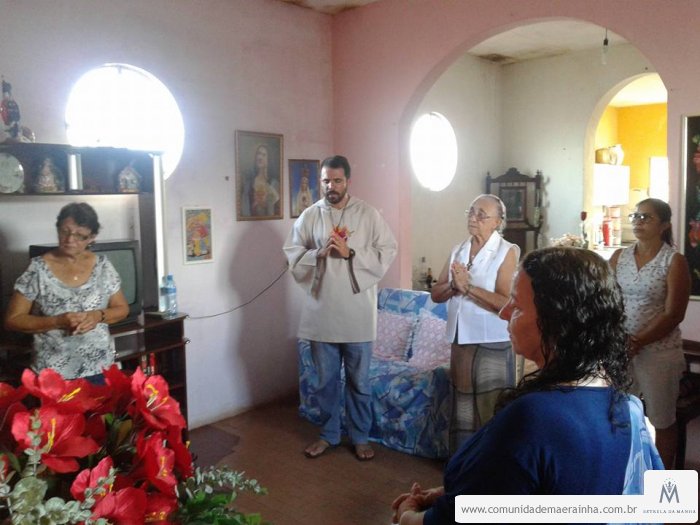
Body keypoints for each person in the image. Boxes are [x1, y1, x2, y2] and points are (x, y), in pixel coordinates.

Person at [391, 247, 663, 525]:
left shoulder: (533, 417)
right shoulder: (629, 409)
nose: (504, 313)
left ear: (556, 320)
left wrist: (408, 516)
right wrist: (449, 494)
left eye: (518, 306)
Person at [283, 155, 397, 461]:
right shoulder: (310, 215)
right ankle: (328, 434)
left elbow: (388, 250)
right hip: (322, 313)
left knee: (359, 382)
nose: (330, 186)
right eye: (326, 181)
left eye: (336, 181)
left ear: (348, 181)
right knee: (325, 382)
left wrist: (351, 253)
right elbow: (292, 253)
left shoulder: (367, 214)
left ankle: (360, 437)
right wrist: (317, 254)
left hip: (357, 314)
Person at [430, 194, 519, 453]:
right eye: (471, 211)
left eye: (481, 214)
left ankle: (491, 465)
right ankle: (462, 462)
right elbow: (436, 293)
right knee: (462, 407)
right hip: (461, 338)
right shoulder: (459, 249)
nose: (473, 218)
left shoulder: (506, 251)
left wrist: (467, 288)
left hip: (491, 340)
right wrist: (454, 286)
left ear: (497, 222)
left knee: (491, 407)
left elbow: (505, 303)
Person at [4, 202, 128, 383]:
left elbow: (121, 309)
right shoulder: (37, 269)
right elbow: (13, 320)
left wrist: (97, 316)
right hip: (52, 375)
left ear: (91, 237)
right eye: (65, 231)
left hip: (99, 368)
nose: (70, 239)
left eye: (79, 235)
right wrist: (57, 321)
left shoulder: (103, 265)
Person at [609, 198, 691, 468]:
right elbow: (607, 300)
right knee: (620, 414)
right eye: (635, 216)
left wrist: (638, 341)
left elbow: (674, 313)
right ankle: (626, 470)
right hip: (621, 349)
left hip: (658, 353)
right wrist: (619, 340)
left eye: (646, 217)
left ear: (664, 224)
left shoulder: (673, 261)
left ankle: (660, 482)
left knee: (661, 419)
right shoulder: (619, 257)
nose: (638, 221)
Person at [241, 144, 280, 217]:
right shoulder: (248, 184)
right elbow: (245, 211)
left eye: (264, 155)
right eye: (258, 154)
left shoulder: (274, 183)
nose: (260, 157)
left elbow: (276, 210)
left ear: (268, 159)